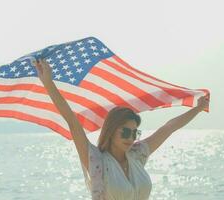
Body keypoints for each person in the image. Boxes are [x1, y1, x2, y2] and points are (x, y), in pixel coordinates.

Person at [34, 59, 209, 200]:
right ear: (111, 131)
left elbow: (168, 128)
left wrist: (197, 109)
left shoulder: (138, 155)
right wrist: (48, 83)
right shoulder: (96, 161)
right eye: (126, 132)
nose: (131, 138)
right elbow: (72, 121)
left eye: (135, 132)